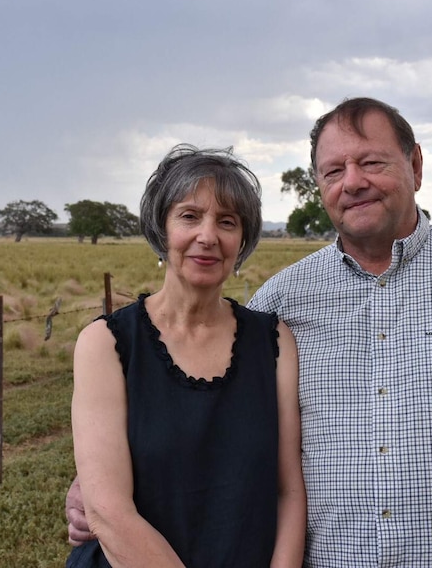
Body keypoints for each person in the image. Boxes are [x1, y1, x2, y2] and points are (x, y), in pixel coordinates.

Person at [68, 99, 432, 567]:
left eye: (371, 161)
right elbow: (206, 428)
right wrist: (97, 488)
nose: (352, 181)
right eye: (333, 171)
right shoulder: (279, 307)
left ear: (415, 165)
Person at [67, 144, 306, 568]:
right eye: (190, 216)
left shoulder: (273, 342)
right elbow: (108, 511)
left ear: (242, 241)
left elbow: (287, 490)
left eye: (227, 222)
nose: (208, 236)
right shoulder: (106, 345)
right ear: (162, 230)